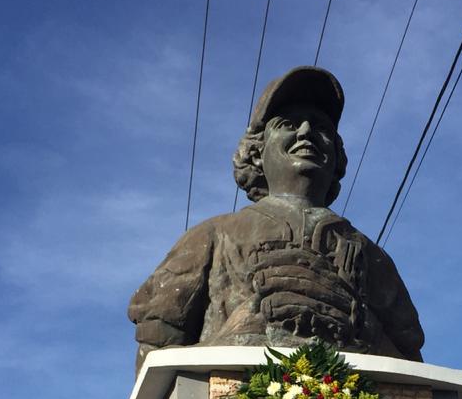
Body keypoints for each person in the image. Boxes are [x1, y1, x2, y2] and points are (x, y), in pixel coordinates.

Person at [127, 65, 424, 370]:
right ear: (257, 151)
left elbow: (413, 369)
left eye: (321, 126)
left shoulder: (372, 257)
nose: (306, 132)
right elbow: (156, 355)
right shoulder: (213, 236)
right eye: (288, 123)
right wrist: (244, 331)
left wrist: (358, 325)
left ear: (336, 155)